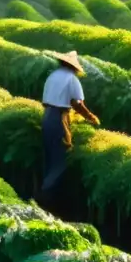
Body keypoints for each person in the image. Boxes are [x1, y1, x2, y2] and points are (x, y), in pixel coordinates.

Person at [38, 50, 99, 206]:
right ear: (73, 67)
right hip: (59, 118)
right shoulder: (71, 79)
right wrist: (90, 117)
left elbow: (46, 100)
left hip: (46, 117)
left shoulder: (52, 76)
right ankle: (46, 200)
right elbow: (77, 103)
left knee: (50, 158)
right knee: (61, 159)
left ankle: (47, 196)